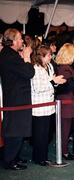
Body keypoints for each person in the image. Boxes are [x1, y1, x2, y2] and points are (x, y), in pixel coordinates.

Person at [0, 28, 35, 170]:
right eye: (20, 38)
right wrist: (27, 57)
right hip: (16, 100)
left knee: (17, 130)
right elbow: (29, 72)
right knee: (15, 131)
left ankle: (14, 157)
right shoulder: (10, 56)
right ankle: (10, 161)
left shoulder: (9, 54)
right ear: (13, 41)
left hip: (16, 98)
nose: (22, 41)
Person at [30, 45, 66, 166]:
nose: (51, 57)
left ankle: (43, 156)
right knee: (40, 134)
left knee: (47, 134)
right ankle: (39, 158)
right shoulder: (35, 68)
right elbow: (38, 88)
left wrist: (56, 82)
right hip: (39, 107)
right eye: (49, 55)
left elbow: (51, 82)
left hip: (49, 106)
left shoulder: (49, 66)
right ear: (41, 56)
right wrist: (53, 82)